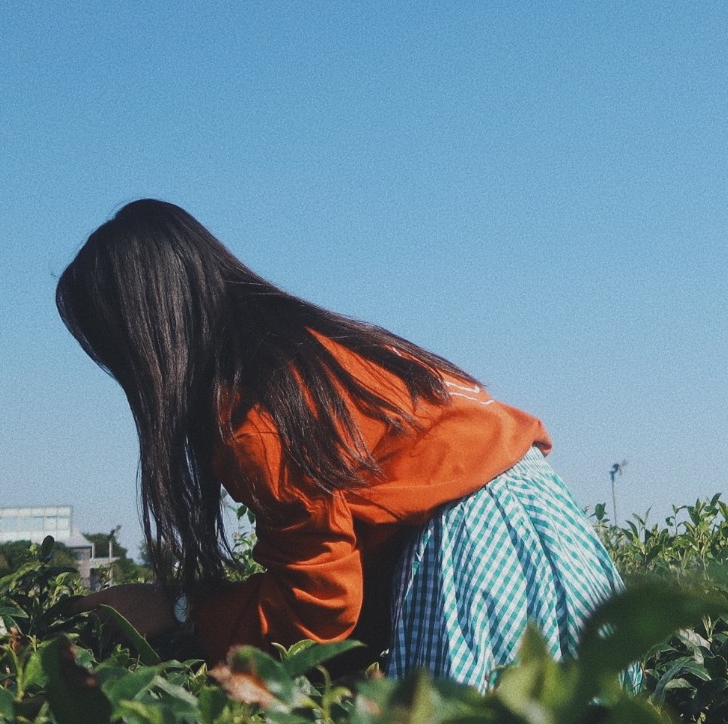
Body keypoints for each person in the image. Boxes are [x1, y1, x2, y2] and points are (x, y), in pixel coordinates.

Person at [54, 199, 621, 686]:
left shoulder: (257, 415)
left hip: (475, 554)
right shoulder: (321, 352)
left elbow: (318, 611)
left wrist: (180, 614)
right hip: (551, 527)